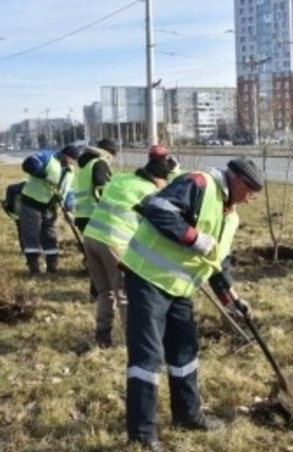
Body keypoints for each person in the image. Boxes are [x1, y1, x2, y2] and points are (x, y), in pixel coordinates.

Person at [120, 156, 264, 450]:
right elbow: (157, 208)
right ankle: (143, 435)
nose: (250, 200)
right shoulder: (199, 183)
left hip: (180, 288)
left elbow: (217, 262)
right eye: (249, 192)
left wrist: (232, 299)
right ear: (237, 181)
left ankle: (187, 415)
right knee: (148, 357)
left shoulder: (231, 216)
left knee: (185, 351)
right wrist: (193, 238)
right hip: (147, 279)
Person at [82, 145, 179, 348]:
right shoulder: (149, 192)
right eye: (165, 181)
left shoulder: (121, 179)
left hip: (91, 237)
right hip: (114, 243)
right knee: (125, 295)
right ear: (158, 178)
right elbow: (158, 223)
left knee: (104, 292)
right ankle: (134, 342)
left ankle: (103, 338)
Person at [18, 141, 79, 275]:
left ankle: (53, 268)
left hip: (50, 208)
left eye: (74, 161)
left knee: (50, 236)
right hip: (32, 203)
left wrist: (69, 209)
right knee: (31, 236)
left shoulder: (70, 171)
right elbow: (28, 164)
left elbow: (68, 190)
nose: (71, 163)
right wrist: (45, 175)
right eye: (71, 159)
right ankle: (34, 270)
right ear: (64, 154)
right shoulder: (47, 157)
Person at [72, 138, 118, 233]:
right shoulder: (100, 163)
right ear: (109, 152)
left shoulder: (87, 165)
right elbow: (101, 188)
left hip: (82, 215)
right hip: (94, 214)